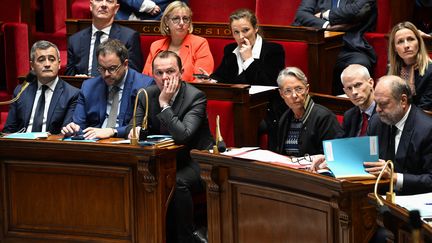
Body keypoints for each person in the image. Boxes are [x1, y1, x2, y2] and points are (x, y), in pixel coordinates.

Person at [127, 51, 214, 243]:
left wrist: (165, 104)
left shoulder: (195, 97)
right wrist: (132, 132)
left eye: (170, 71)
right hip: (162, 159)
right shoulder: (145, 95)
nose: (164, 78)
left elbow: (183, 135)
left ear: (181, 72)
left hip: (197, 159)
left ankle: (186, 237)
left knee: (177, 181)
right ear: (152, 74)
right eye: (159, 73)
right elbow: (135, 125)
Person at [199, 8, 286, 149]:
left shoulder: (273, 50)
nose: (241, 37)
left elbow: (268, 85)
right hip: (236, 107)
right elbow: (220, 76)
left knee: (239, 120)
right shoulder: (230, 50)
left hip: (265, 110)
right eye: (236, 32)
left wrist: (248, 60)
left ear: (256, 28)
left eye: (245, 30)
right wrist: (209, 80)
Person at [61, 39, 153, 139]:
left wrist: (113, 131)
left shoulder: (144, 86)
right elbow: (79, 124)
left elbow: (144, 127)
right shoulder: (89, 86)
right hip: (94, 144)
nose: (106, 74)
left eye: (112, 68)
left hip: (127, 144)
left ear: (125, 64)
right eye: (102, 68)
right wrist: (74, 129)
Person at [364, 75, 432, 195]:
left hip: (412, 200)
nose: (378, 109)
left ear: (403, 100)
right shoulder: (376, 122)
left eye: (383, 104)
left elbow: (430, 179)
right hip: (377, 195)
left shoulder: (427, 129)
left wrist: (394, 177)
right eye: (376, 103)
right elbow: (366, 159)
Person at [292, 0, 377, 95]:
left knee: (360, 65)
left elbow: (356, 11)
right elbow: (301, 14)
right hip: (318, 45)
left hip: (349, 46)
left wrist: (323, 15)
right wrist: (326, 25)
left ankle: (349, 106)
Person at [3, 40, 79, 134]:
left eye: (52, 59)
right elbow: (9, 130)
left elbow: (66, 133)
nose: (47, 64)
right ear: (32, 66)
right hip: (22, 145)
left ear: (59, 64)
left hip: (51, 146)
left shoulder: (72, 94)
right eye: (41, 60)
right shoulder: (20, 91)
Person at [272, 67, 343, 156]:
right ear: (281, 94)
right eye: (288, 91)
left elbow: (334, 154)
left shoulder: (324, 117)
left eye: (299, 89)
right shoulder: (285, 118)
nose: (294, 95)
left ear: (307, 89)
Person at [66, 0, 143, 76]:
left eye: (109, 1)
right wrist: (78, 80)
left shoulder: (129, 37)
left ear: (116, 9)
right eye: (99, 0)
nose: (103, 5)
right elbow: (69, 77)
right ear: (91, 5)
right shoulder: (75, 40)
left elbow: (133, 75)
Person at [142, 1, 214, 82]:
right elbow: (145, 78)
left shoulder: (199, 44)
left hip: (187, 93)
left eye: (185, 19)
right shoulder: (156, 46)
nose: (181, 23)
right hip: (157, 93)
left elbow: (201, 81)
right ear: (166, 21)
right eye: (176, 18)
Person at [388, 21, 432, 111]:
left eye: (411, 39)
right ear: (395, 49)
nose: (406, 45)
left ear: (419, 43)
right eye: (400, 42)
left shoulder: (430, 71)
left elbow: (425, 108)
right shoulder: (393, 71)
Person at [340, 64, 376, 137]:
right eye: (349, 88)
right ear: (345, 92)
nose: (354, 92)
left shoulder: (385, 113)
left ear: (370, 83)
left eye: (358, 85)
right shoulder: (349, 116)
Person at [116, 0, 187, 20]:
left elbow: (181, 6)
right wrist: (143, 4)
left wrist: (161, 17)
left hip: (158, 21)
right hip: (123, 17)